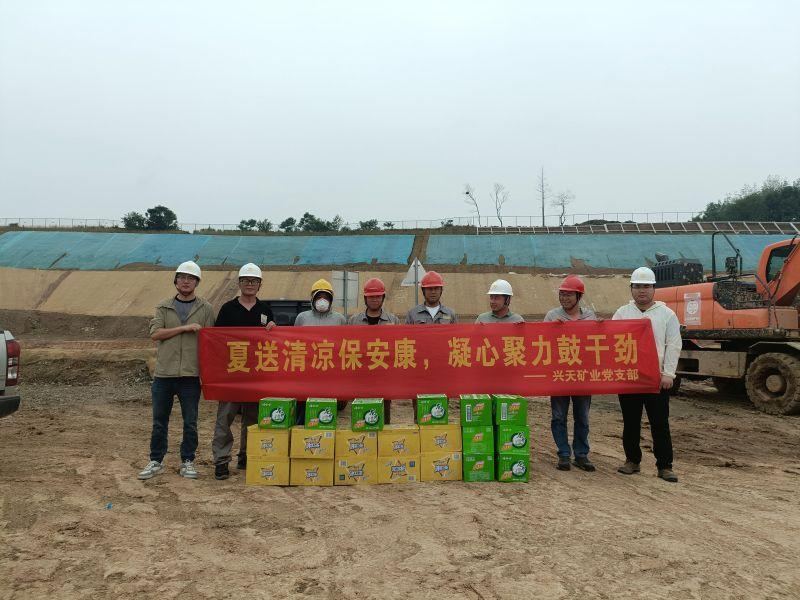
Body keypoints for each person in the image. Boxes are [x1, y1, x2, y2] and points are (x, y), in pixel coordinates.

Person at [138, 261, 216, 480]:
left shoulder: (206, 309)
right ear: (176, 280)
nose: (186, 281)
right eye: (182, 277)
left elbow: (211, 340)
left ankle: (188, 460)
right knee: (159, 421)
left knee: (190, 422)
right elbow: (156, 334)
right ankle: (156, 460)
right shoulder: (164, 307)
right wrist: (184, 328)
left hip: (190, 375)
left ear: (197, 282)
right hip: (164, 374)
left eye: (190, 278)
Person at [612, 266, 681, 483]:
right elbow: (610, 342)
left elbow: (673, 345)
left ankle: (665, 466)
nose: (642, 291)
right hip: (630, 378)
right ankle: (632, 460)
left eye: (646, 286)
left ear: (654, 289)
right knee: (630, 422)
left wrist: (668, 374)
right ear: (631, 289)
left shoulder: (667, 315)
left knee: (659, 423)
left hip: (657, 379)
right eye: (637, 286)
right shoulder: (622, 313)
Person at [212, 263, 276, 480]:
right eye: (246, 280)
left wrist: (273, 329)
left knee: (253, 418)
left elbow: (271, 341)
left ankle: (247, 456)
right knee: (225, 418)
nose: (250, 284)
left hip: (256, 374)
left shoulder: (265, 310)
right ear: (239, 283)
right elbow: (216, 341)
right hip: (232, 374)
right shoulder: (227, 309)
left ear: (259, 285)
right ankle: (221, 460)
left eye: (254, 281)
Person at [543, 275, 597, 472]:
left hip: (582, 376)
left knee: (582, 417)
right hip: (559, 375)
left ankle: (581, 454)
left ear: (578, 296)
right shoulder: (552, 316)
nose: (564, 298)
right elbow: (541, 342)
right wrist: (551, 329)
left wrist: (602, 328)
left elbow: (598, 342)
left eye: (569, 295)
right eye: (562, 294)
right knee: (558, 416)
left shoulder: (590, 317)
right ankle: (564, 454)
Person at [294, 278, 347, 421]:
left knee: (326, 413)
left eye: (325, 297)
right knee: (304, 411)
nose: (322, 300)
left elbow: (344, 345)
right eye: (319, 297)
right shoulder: (302, 318)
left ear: (331, 299)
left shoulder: (340, 319)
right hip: (307, 373)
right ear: (312, 298)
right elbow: (295, 342)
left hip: (330, 373)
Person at [349, 277, 399, 422]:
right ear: (365, 299)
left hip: (384, 378)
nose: (374, 299)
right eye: (371, 297)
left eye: (378, 296)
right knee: (360, 419)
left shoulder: (393, 321)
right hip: (361, 378)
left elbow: (399, 347)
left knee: (384, 419)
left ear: (383, 297)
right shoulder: (354, 321)